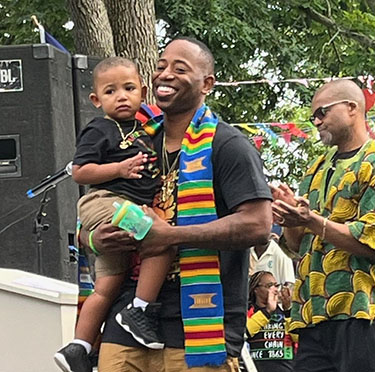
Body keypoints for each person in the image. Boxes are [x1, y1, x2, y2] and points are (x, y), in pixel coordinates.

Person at [78, 37, 273, 372]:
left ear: (207, 83)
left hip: (201, 324)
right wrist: (92, 239)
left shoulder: (228, 145)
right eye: (160, 66)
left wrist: (170, 236)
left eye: (180, 69)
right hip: (127, 319)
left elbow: (258, 224)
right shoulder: (134, 141)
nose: (165, 75)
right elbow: (96, 207)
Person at [54, 57, 175, 372]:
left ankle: (78, 348)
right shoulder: (100, 128)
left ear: (143, 92)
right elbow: (80, 172)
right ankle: (140, 310)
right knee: (161, 237)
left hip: (122, 210)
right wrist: (119, 168)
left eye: (129, 88)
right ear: (96, 100)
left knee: (107, 284)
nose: (121, 96)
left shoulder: (149, 128)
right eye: (110, 91)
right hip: (107, 202)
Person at [271, 79, 375, 372]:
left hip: (361, 310)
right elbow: (296, 245)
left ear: (352, 108)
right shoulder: (316, 167)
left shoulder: (372, 160)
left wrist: (313, 222)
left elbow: (370, 241)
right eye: (313, 115)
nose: (316, 121)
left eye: (322, 112)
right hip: (311, 312)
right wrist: (291, 214)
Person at [246, 271, 296, 372]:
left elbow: (296, 338)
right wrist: (267, 311)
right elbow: (245, 331)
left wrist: (288, 311)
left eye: (276, 285)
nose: (275, 290)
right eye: (269, 286)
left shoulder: (283, 313)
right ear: (256, 289)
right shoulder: (249, 311)